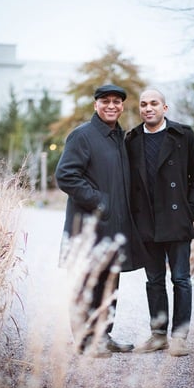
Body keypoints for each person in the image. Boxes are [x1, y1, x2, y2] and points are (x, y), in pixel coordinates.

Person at [55, 84, 140, 356]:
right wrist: (100, 201)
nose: (111, 105)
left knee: (109, 283)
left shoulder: (119, 138)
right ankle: (86, 340)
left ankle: (104, 335)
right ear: (96, 105)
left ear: (122, 106)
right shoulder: (82, 136)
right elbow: (66, 176)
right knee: (85, 284)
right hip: (88, 226)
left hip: (113, 227)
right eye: (106, 101)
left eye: (117, 101)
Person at [125, 89, 194, 356]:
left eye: (154, 104)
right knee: (154, 281)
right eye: (143, 104)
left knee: (181, 279)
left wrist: (190, 210)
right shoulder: (132, 139)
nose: (148, 108)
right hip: (146, 223)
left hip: (176, 220)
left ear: (165, 107)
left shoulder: (183, 135)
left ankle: (180, 337)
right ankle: (158, 335)